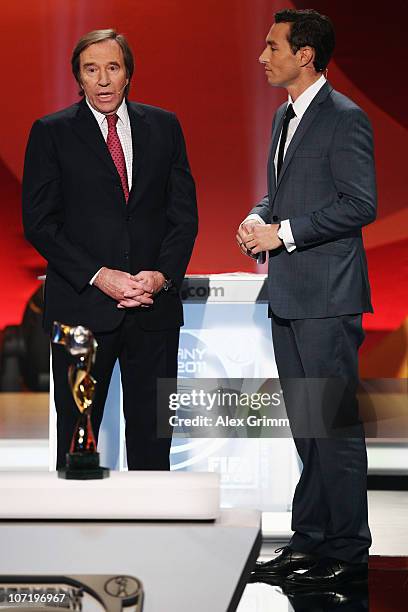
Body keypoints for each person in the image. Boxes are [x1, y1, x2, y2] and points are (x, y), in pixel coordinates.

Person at [237, 9, 376, 587]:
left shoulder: (345, 119)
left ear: (306, 55)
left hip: (328, 295)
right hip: (291, 295)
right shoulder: (282, 118)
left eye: (273, 47)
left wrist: (284, 234)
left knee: (334, 429)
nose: (263, 56)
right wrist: (257, 217)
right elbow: (282, 192)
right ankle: (311, 540)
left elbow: (358, 203)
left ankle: (347, 548)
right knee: (307, 427)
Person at [22, 29, 198, 470]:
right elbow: (40, 224)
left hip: (151, 310)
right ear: (78, 78)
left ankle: (155, 531)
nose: (102, 80)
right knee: (77, 437)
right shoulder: (51, 133)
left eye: (112, 68)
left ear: (128, 76)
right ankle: (76, 532)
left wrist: (161, 276)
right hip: (81, 311)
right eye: (91, 69)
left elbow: (183, 216)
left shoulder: (165, 126)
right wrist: (100, 275)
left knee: (153, 439)